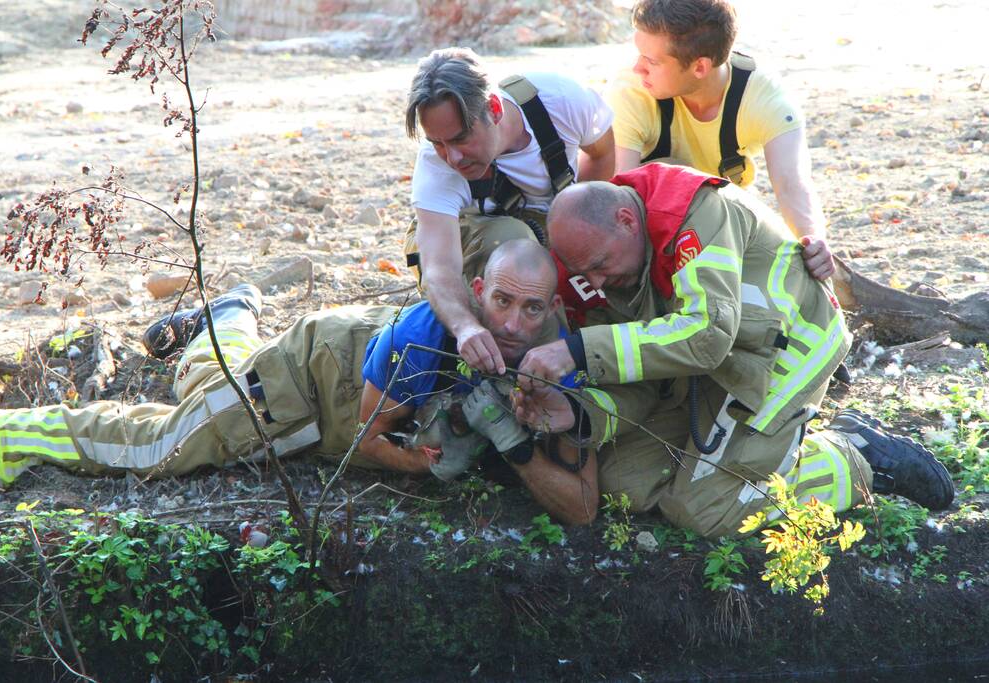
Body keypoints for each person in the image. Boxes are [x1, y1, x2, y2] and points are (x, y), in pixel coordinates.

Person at [0, 241, 620, 525]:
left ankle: (222, 322)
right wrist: (420, 467)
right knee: (164, 445)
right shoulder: (428, 337)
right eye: (501, 302)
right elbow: (369, 439)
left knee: (206, 404)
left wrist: (511, 437)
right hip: (308, 383)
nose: (512, 323)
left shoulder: (561, 356)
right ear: (477, 293)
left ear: (554, 308)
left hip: (339, 387)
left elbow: (580, 506)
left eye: (531, 309)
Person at [517, 163, 954, 538]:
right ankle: (743, 458)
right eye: (581, 272)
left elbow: (706, 336)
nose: (593, 283)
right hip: (717, 366)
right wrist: (582, 415)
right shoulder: (605, 264)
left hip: (790, 348)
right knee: (622, 481)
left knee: (704, 509)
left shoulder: (692, 212)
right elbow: (639, 372)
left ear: (627, 221)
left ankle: (853, 456)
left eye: (598, 265)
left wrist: (576, 348)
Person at [403, 47, 615, 378]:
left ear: (495, 108)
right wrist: (465, 328)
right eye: (438, 143)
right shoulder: (435, 167)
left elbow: (602, 154)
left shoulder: (561, 100)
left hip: (548, 231)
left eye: (461, 139)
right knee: (515, 244)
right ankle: (530, 377)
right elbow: (439, 268)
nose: (452, 158)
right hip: (472, 243)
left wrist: (579, 234)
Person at [608, 0, 834, 279]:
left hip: (722, 220)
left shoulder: (766, 98)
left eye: (651, 61)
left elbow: (793, 184)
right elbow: (623, 197)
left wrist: (813, 241)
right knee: (668, 170)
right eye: (639, 54)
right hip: (650, 223)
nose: (637, 69)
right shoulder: (632, 90)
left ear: (700, 67)